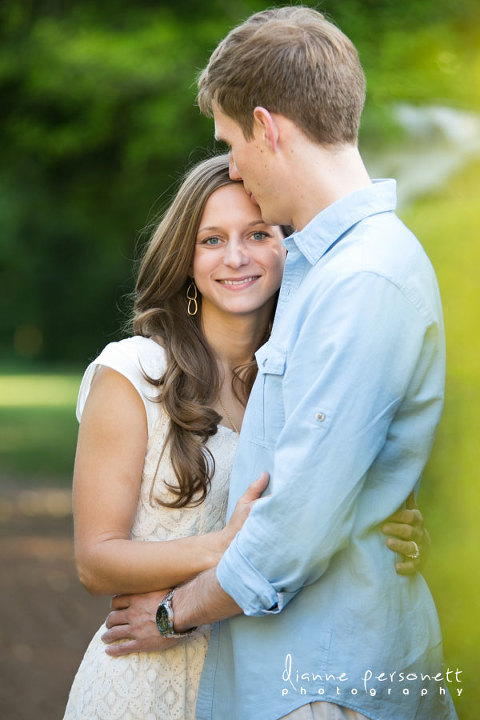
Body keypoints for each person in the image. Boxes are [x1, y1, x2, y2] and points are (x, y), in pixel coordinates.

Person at [103, 7, 458, 720]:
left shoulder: (363, 280)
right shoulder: (321, 272)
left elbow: (294, 528)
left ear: (267, 128)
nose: (232, 165)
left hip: (322, 688)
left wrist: (174, 615)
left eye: (230, 141)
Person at [63, 154, 426, 720]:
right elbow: (95, 561)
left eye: (258, 234)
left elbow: (318, 519)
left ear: (290, 248)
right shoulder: (132, 373)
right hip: (146, 678)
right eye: (211, 240)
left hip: (260, 684)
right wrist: (227, 547)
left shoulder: (304, 382)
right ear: (186, 258)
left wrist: (381, 527)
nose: (236, 257)